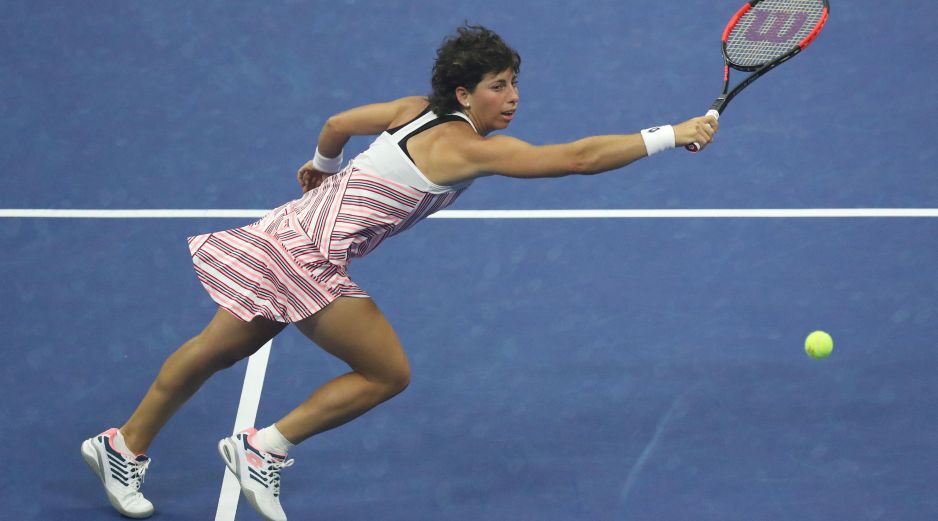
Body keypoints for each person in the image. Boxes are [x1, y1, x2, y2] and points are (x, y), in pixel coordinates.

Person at [81, 24, 717, 521]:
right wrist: (671, 133)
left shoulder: (411, 109)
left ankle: (123, 445)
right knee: (386, 373)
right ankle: (263, 447)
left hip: (282, 231)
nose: (513, 97)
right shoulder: (466, 149)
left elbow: (336, 125)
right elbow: (576, 158)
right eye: (498, 85)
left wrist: (322, 168)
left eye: (515, 83)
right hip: (308, 260)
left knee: (212, 352)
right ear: (464, 95)